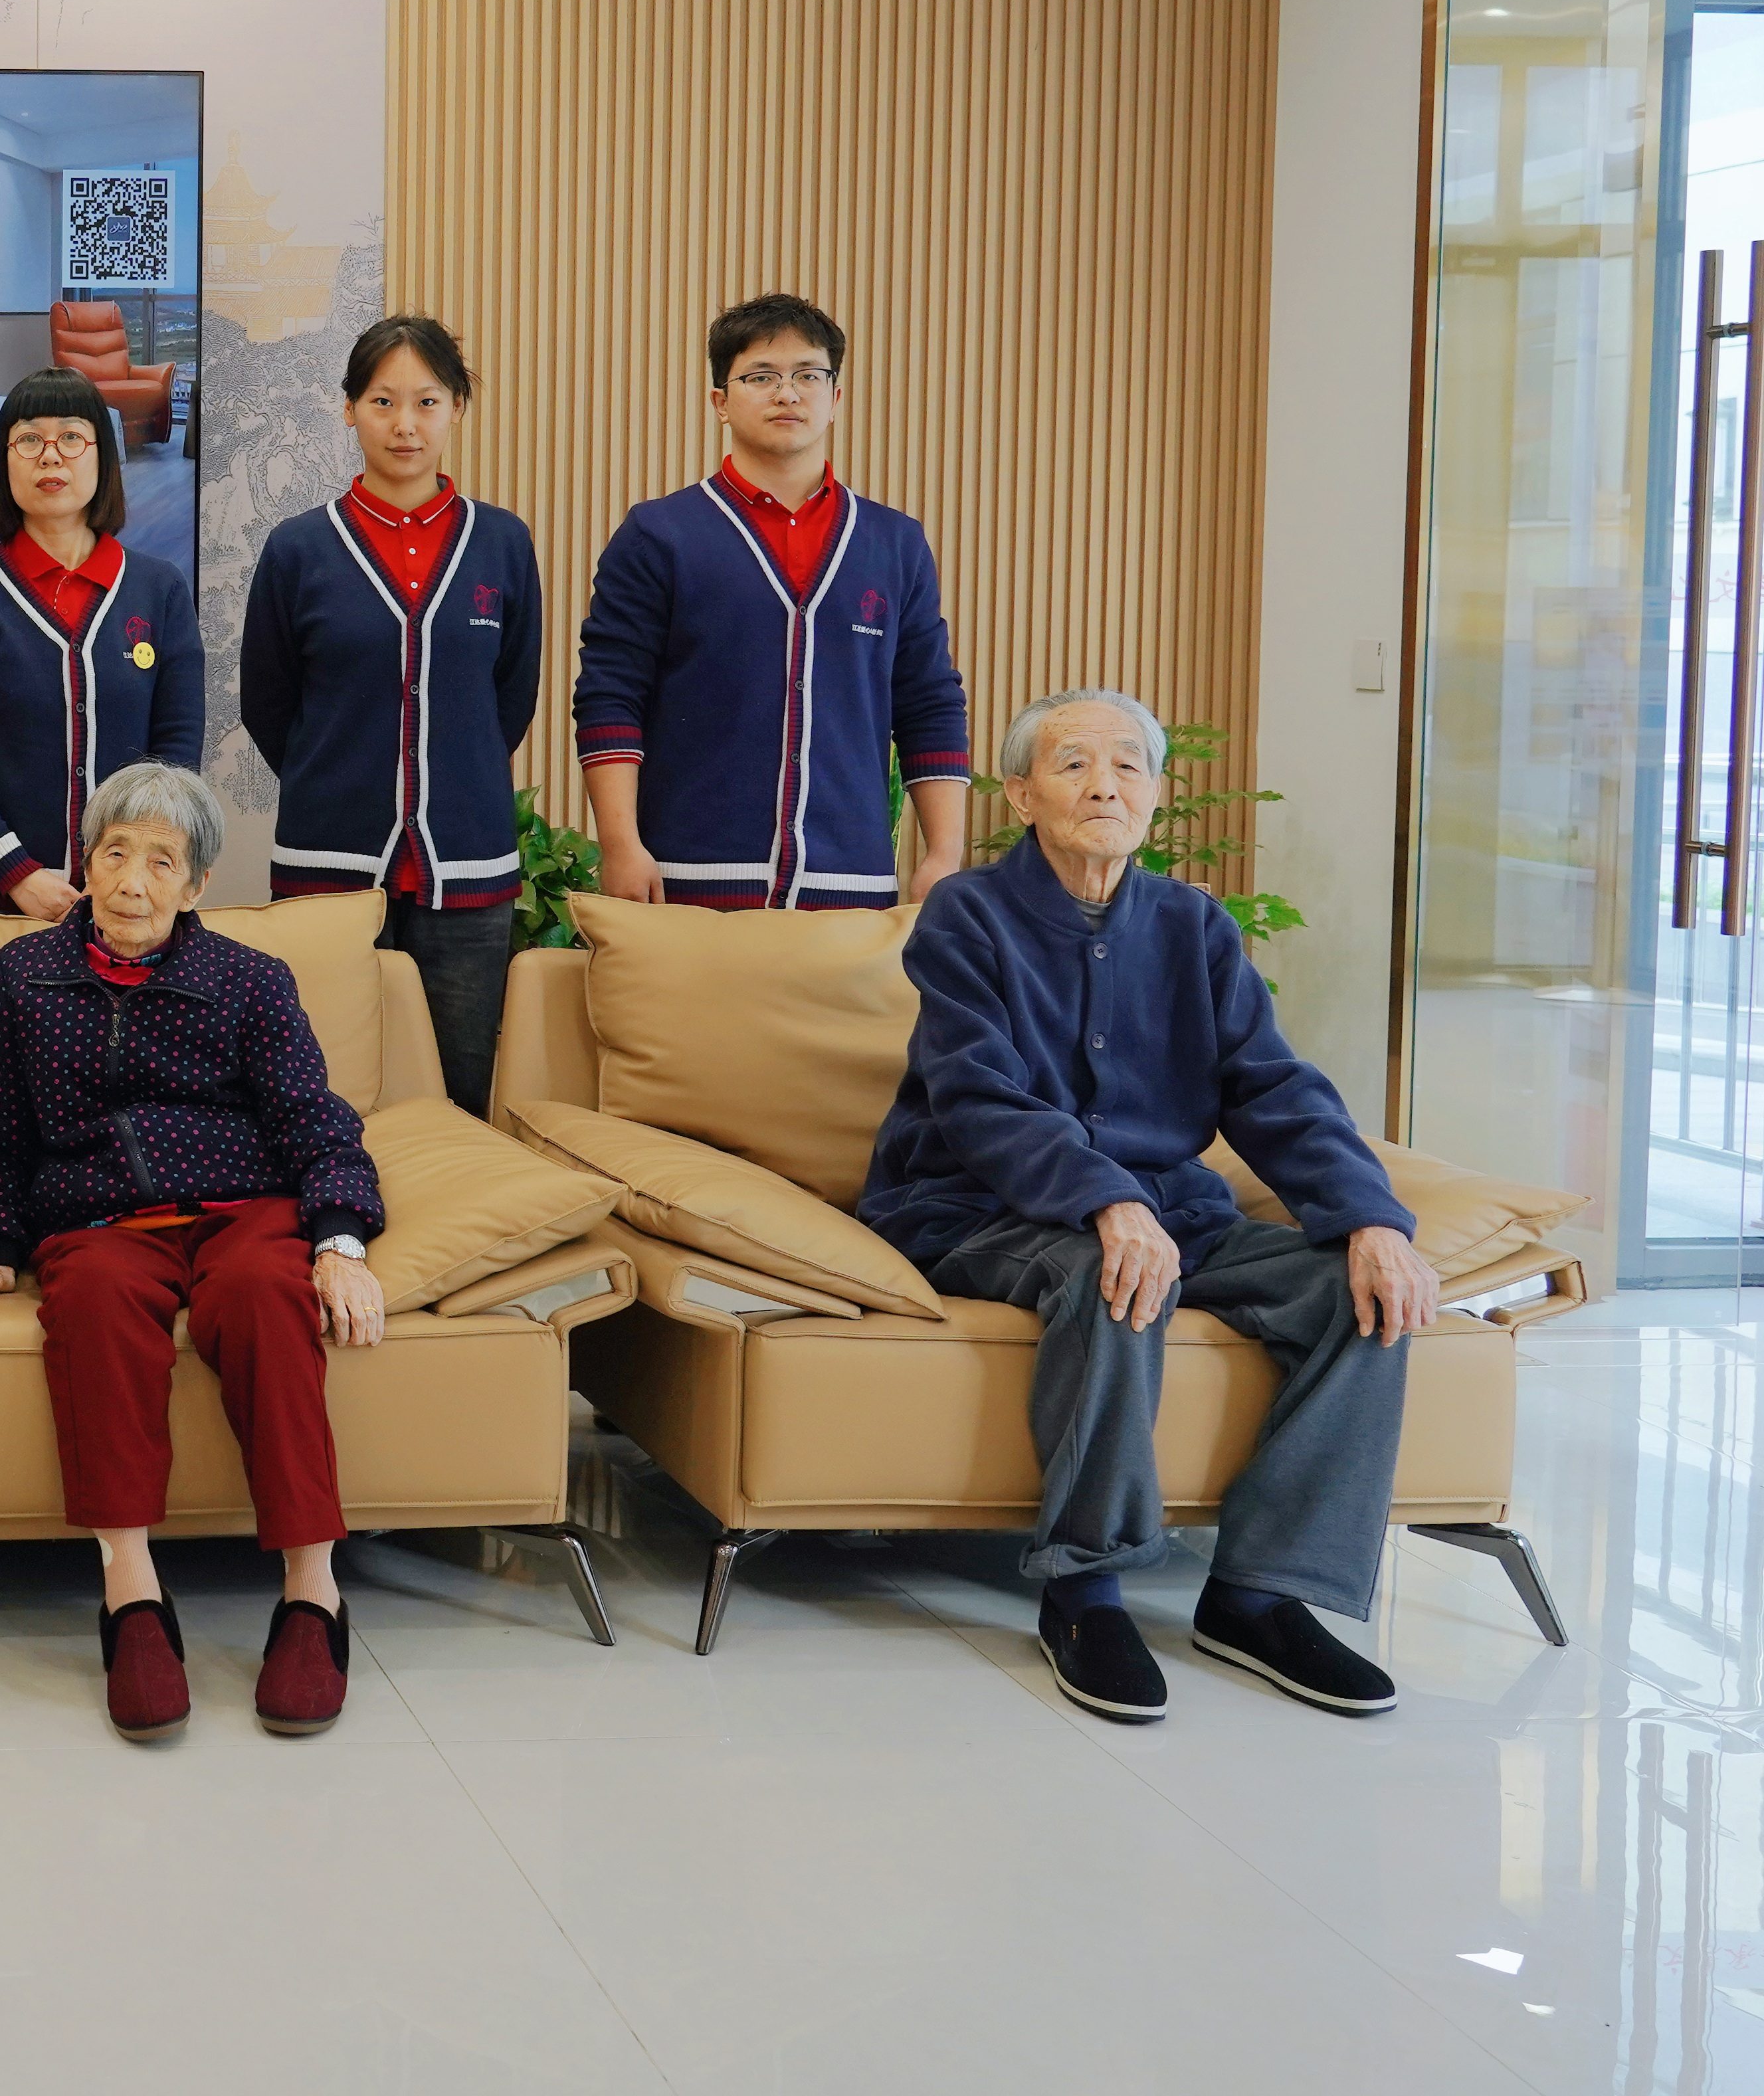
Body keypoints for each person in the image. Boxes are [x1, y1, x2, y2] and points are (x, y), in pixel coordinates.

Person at [856, 690, 1442, 1726]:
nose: (1105, 786)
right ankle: (1086, 1588)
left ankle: (1259, 1595)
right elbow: (979, 1098)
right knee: (1112, 1271)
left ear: (1157, 794)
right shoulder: (967, 915)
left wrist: (1372, 1221)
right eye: (1074, 764)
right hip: (976, 1205)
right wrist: (1108, 1200)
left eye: (1129, 765)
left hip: (1172, 1211)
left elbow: (1274, 1087)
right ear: (1020, 795)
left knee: (1357, 1299)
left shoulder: (1195, 926)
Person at [0, 763, 386, 1738]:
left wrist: (340, 1238)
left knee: (267, 1297)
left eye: (162, 861)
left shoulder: (251, 980)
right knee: (92, 1304)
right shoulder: (21, 977)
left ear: (196, 886)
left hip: (242, 1208)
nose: (133, 882)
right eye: (116, 853)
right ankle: (131, 1589)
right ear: (87, 864)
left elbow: (316, 1120)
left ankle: (313, 1589)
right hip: (98, 1218)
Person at [573, 292, 968, 909]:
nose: (788, 394)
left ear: (836, 398)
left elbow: (929, 702)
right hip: (688, 883)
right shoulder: (660, 534)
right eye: (761, 377)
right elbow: (610, 696)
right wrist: (620, 844)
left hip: (848, 887)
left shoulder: (894, 543)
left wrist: (944, 853)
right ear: (720, 402)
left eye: (809, 375)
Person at [241, 316, 543, 1115]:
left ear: (458, 408)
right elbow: (268, 701)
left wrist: (457, 772)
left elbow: (510, 698)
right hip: (327, 864)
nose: (405, 424)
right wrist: (334, 774)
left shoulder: (503, 544)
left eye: (427, 401)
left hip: (467, 865)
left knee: (459, 1091)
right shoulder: (298, 548)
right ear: (348, 409)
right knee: (321, 1089)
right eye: (382, 401)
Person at [0, 367, 205, 916]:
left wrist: (130, 870)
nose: (51, 456)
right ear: (4, 462)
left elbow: (177, 751)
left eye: (71, 437)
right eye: (29, 440)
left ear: (103, 456)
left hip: (129, 897)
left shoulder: (159, 589)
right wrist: (17, 875)